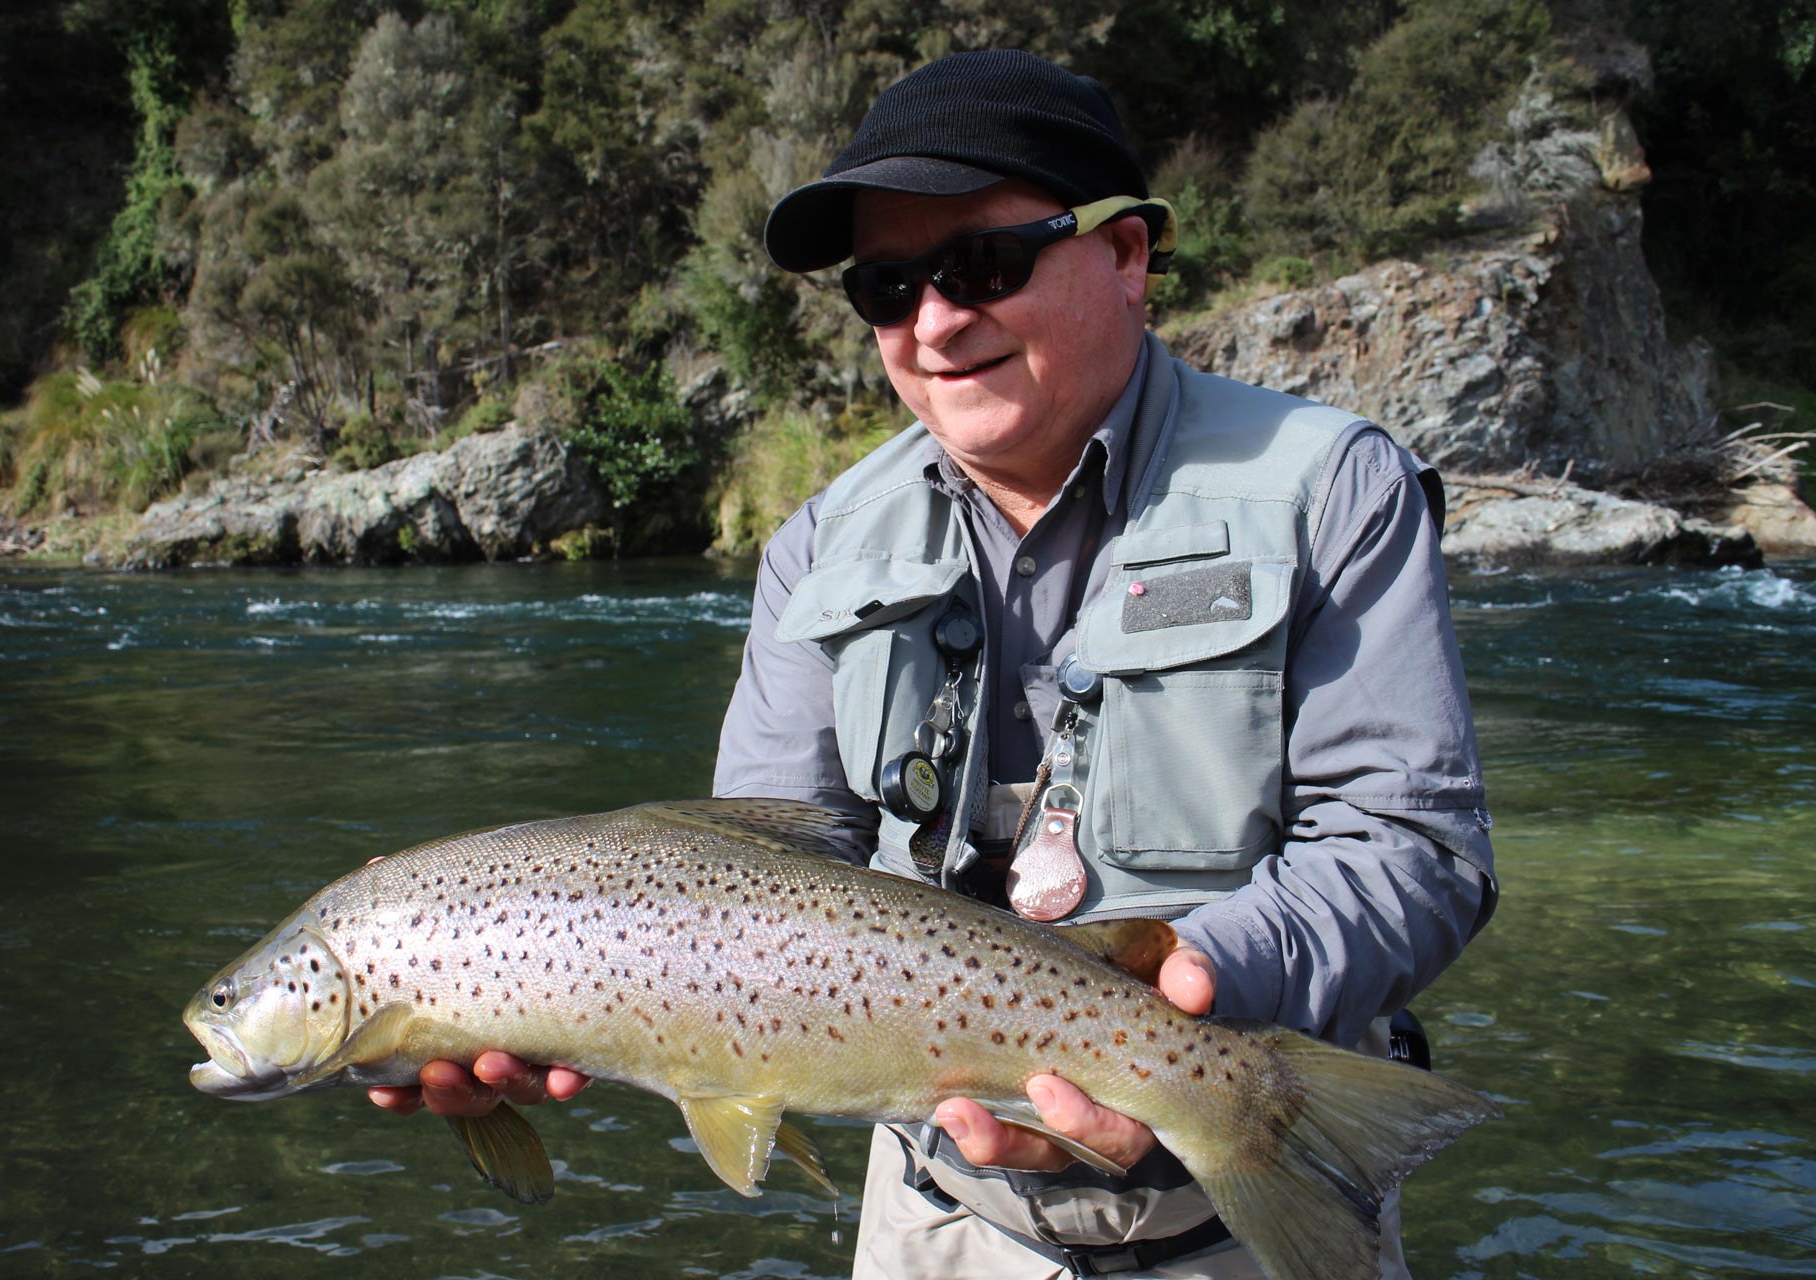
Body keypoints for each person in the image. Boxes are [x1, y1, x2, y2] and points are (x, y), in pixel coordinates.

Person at [370, 48, 1496, 1279]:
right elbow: (759, 875)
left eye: (982, 265)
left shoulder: (1329, 486)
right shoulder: (815, 549)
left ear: (1128, 257)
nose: (937, 320)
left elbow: (1412, 849)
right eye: (887, 287)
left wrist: (1192, 995)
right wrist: (530, 997)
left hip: (1239, 1213)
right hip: (942, 1225)